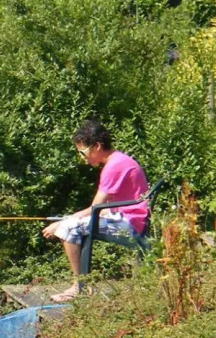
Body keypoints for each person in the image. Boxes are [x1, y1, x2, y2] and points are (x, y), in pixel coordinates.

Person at [41, 119, 149, 303]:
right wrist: (69, 218)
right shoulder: (119, 160)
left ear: (97, 146)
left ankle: (79, 287)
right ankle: (82, 285)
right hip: (129, 216)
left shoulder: (114, 166)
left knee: (69, 229)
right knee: (71, 223)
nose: (82, 158)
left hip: (130, 223)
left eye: (83, 152)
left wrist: (62, 223)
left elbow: (95, 209)